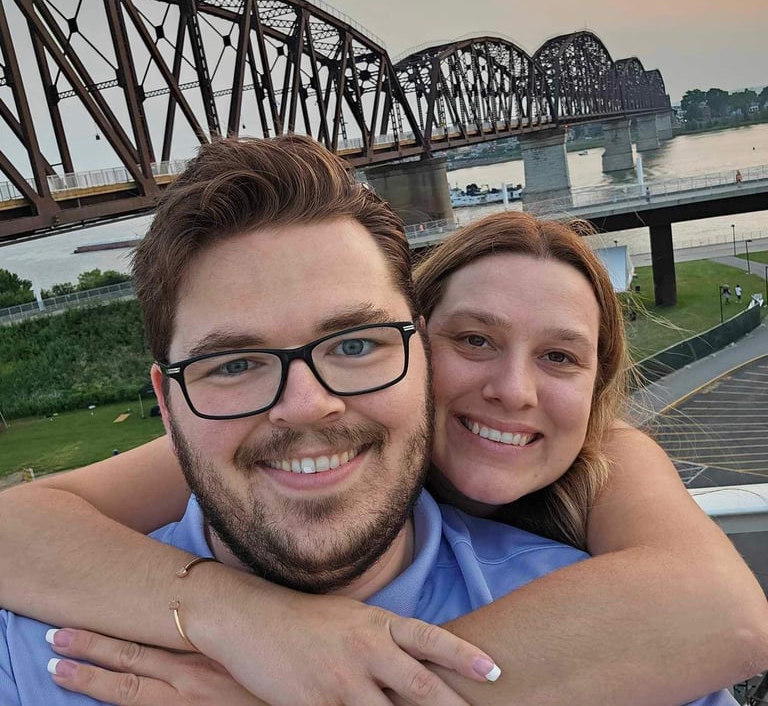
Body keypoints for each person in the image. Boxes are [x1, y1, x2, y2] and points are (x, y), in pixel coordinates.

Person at [0, 137, 765, 705]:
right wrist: (232, 617)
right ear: (168, 407)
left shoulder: (636, 639)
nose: (306, 404)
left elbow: (729, 612)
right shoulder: (39, 642)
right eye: (234, 364)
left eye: (355, 345)